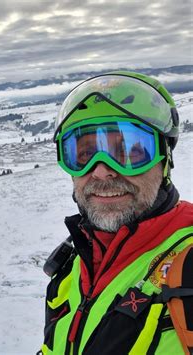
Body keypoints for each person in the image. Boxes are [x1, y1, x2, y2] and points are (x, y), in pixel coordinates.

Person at [40, 72, 193, 354]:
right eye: (84, 154)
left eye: (131, 152)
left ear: (165, 160)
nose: (101, 170)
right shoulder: (74, 264)